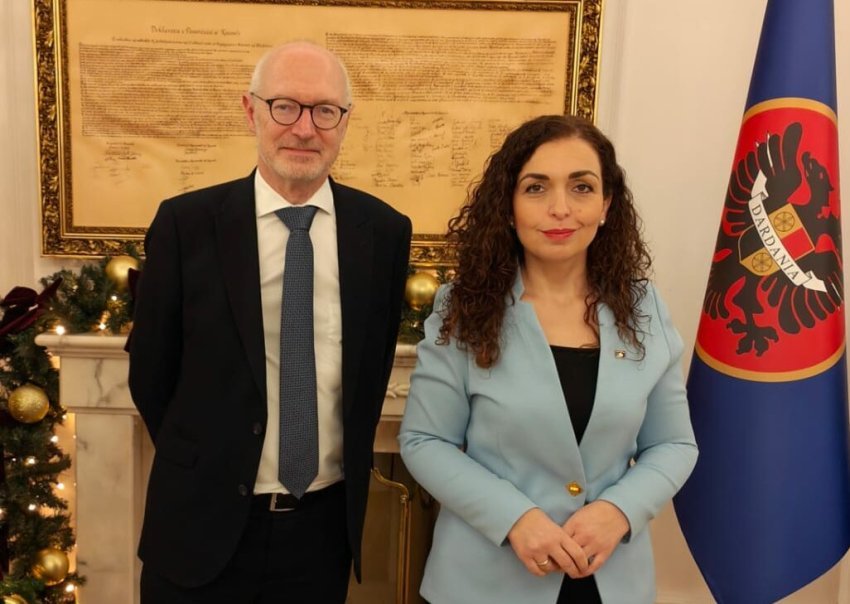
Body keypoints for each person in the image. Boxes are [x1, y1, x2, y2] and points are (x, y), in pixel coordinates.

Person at [128, 41, 412, 603]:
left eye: (324, 111)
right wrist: (207, 462)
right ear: (250, 109)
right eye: (285, 106)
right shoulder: (187, 224)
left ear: (345, 121)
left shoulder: (382, 232)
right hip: (199, 527)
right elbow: (151, 373)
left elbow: (372, 367)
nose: (304, 129)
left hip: (321, 535)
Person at [399, 115, 697, 604]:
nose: (561, 208)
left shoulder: (644, 308)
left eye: (582, 187)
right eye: (536, 188)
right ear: (508, 206)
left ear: (606, 205)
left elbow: (674, 444)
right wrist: (515, 518)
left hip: (609, 578)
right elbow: (425, 441)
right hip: (486, 582)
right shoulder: (463, 307)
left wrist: (619, 511)